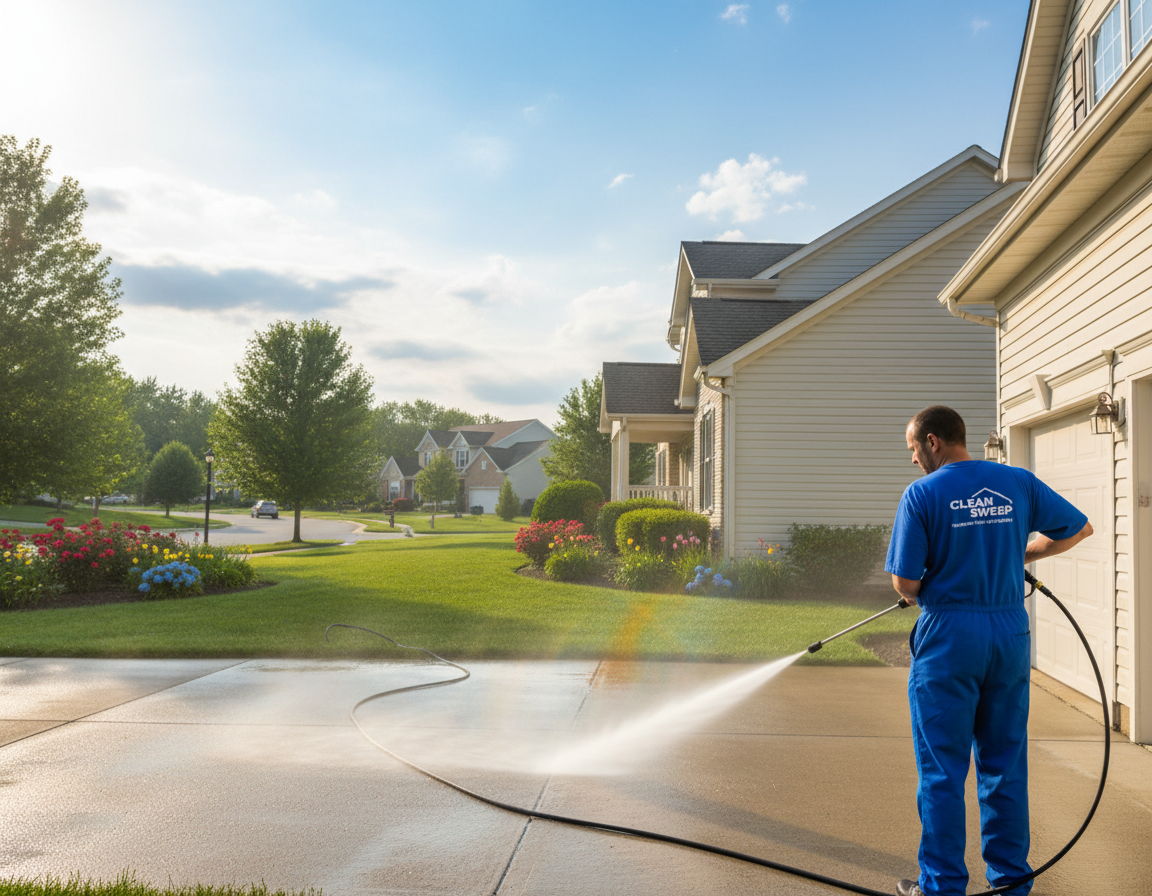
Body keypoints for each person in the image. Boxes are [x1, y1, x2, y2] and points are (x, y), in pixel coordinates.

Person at [885, 406, 1092, 896]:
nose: (914, 461)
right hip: (1008, 634)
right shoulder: (1017, 482)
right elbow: (1078, 528)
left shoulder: (922, 494)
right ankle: (1010, 887)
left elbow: (907, 583)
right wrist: (1015, 552)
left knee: (942, 770)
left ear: (933, 442)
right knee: (1003, 765)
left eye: (914, 450)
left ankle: (941, 888)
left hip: (950, 637)